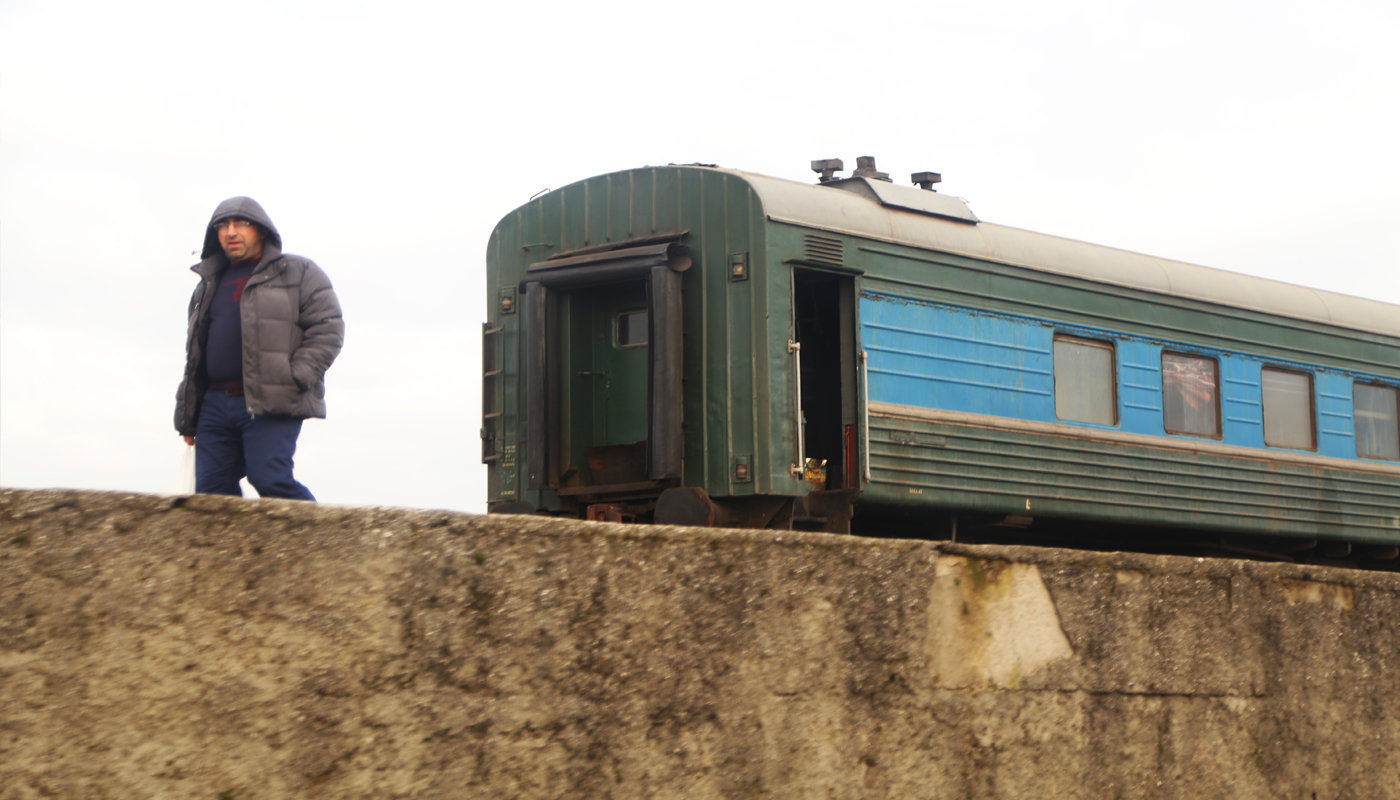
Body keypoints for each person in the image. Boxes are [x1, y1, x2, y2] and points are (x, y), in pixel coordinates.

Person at [174, 197, 344, 500]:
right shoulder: (207, 284)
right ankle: (229, 549)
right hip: (214, 405)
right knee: (211, 495)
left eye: (241, 223)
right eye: (223, 226)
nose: (231, 232)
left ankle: (321, 543)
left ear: (261, 231)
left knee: (270, 480)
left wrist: (295, 375)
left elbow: (328, 328)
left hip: (272, 399)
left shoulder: (299, 272)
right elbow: (195, 355)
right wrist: (187, 415)